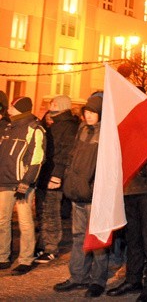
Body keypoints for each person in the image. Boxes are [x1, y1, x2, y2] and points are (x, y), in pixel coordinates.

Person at [107, 93, 147, 302]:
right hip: (130, 189)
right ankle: (133, 279)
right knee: (132, 237)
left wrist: (142, 170)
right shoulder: (129, 126)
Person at [54, 95, 109, 297]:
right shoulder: (82, 130)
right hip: (77, 192)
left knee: (96, 239)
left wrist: (96, 186)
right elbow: (72, 158)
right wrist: (68, 179)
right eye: (86, 112)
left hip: (94, 194)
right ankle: (77, 276)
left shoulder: (107, 134)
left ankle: (97, 280)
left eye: (93, 112)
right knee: (78, 237)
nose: (89, 115)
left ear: (100, 113)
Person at [0, 96, 45, 275]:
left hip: (21, 184)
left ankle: (26, 259)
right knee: (2, 221)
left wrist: (26, 183)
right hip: (4, 181)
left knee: (25, 223)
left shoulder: (34, 129)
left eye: (13, 105)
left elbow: (37, 159)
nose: (9, 107)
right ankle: (2, 256)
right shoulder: (9, 127)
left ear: (19, 108)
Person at [34, 95, 79, 264]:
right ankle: (43, 244)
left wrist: (57, 174)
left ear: (60, 106)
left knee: (51, 211)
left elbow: (66, 153)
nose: (49, 105)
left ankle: (51, 248)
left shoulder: (67, 127)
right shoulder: (55, 124)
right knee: (43, 210)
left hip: (53, 176)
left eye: (52, 103)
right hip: (46, 174)